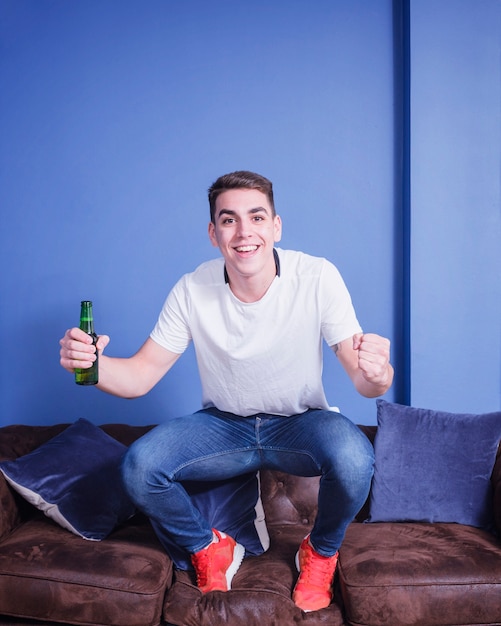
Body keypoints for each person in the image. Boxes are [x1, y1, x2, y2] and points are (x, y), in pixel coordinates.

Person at [59, 170, 393, 613]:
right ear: (214, 234)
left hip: (299, 424)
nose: (244, 231)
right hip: (225, 427)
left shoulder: (317, 277)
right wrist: (93, 367)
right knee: (140, 466)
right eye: (229, 220)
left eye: (256, 217)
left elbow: (363, 380)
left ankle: (321, 552)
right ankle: (207, 547)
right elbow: (140, 376)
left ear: (276, 226)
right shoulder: (191, 289)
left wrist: (380, 373)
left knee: (354, 458)